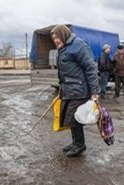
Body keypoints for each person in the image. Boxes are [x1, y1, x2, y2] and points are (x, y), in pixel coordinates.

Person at [50, 25, 99, 157]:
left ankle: (80, 145)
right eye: (54, 38)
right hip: (69, 89)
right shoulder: (63, 48)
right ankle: (76, 142)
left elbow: (90, 68)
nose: (55, 40)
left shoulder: (78, 46)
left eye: (57, 37)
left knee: (74, 118)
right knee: (70, 117)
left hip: (79, 89)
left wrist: (94, 91)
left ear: (63, 34)